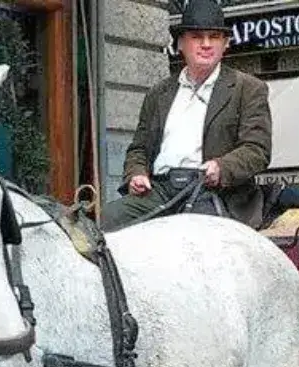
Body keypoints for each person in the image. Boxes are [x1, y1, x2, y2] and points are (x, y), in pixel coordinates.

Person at [101, 0, 272, 232]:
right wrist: (136, 174)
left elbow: (257, 150)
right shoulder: (159, 93)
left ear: (225, 44)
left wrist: (221, 167)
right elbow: (138, 149)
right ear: (180, 42)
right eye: (196, 37)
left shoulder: (248, 89)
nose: (206, 44)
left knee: (194, 237)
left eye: (214, 37)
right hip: (160, 190)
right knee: (103, 221)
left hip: (213, 192)